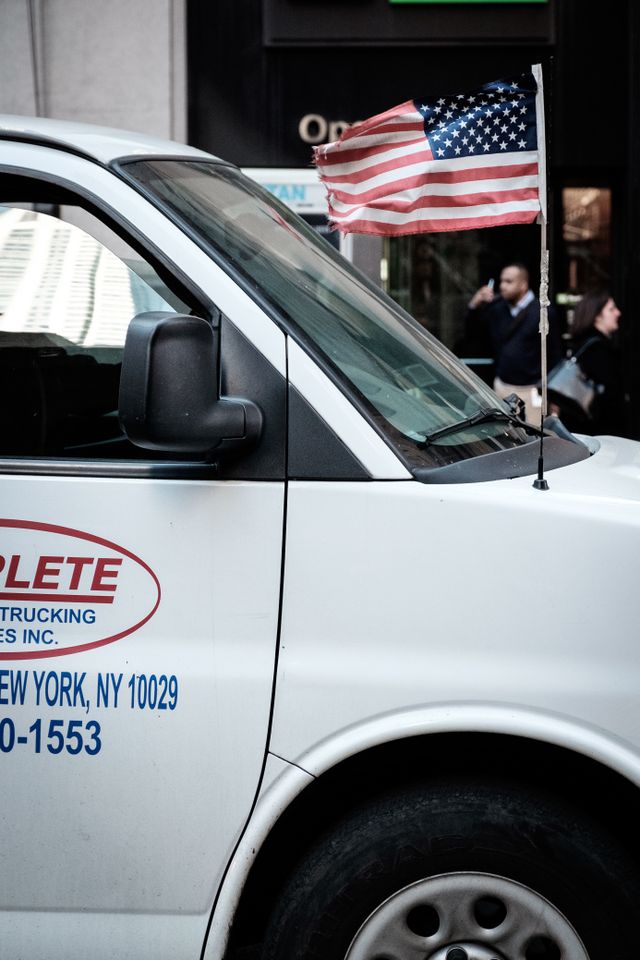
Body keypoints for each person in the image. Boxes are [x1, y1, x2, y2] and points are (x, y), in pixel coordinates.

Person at [465, 262, 561, 424]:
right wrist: (475, 304)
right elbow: (472, 333)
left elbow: (555, 354)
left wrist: (555, 397)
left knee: (536, 437)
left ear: (523, 284)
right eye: (501, 281)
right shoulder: (497, 308)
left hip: (533, 389)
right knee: (504, 435)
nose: (502, 286)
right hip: (502, 385)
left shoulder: (543, 311)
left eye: (509, 282)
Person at [556, 291, 627, 436]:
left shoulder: (583, 344)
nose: (618, 313)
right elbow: (609, 399)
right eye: (611, 309)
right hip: (599, 435)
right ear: (597, 315)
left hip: (581, 430)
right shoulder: (598, 349)